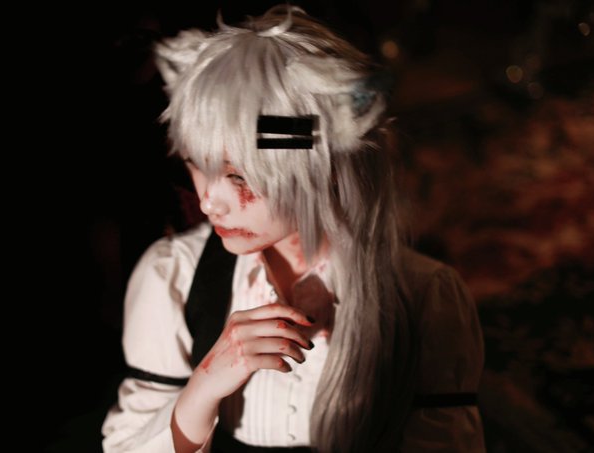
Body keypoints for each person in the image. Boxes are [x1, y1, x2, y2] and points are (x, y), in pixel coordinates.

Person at [101, 5, 485, 452]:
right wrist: (203, 387)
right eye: (197, 164)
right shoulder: (173, 276)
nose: (209, 201)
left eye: (239, 175)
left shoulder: (425, 296)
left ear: (321, 167)